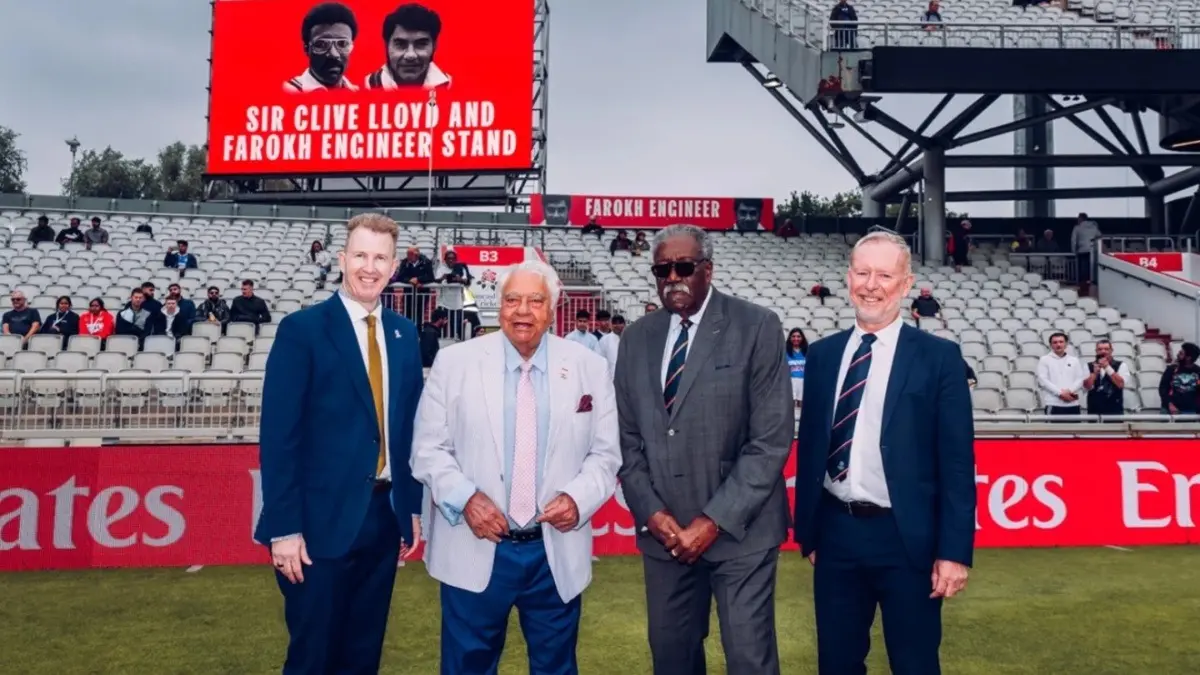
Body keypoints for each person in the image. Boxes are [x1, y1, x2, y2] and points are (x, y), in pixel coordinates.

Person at [411, 260, 621, 674]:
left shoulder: (589, 367)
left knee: (556, 667)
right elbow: (427, 450)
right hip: (474, 546)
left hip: (554, 553)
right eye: (512, 300)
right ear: (498, 306)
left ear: (552, 309)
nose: (522, 311)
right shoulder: (454, 363)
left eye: (535, 301)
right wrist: (466, 498)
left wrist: (578, 500)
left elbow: (606, 455)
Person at [793, 231, 975, 675]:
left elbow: (956, 463)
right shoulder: (822, 354)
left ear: (906, 283)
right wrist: (810, 532)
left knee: (914, 664)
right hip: (836, 535)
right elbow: (812, 446)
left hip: (907, 539)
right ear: (848, 277)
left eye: (884, 275)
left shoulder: (940, 358)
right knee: (836, 663)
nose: (871, 284)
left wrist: (954, 552)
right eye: (862, 272)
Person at [615, 224, 794, 674]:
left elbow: (770, 439)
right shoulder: (636, 338)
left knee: (749, 661)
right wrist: (653, 515)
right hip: (665, 538)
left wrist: (713, 521)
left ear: (708, 270)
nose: (672, 277)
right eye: (662, 268)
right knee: (671, 659)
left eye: (684, 267)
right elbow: (627, 441)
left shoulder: (757, 325)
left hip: (741, 534)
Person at [254, 213, 424, 674]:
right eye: (361, 255)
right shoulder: (302, 330)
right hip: (315, 526)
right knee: (313, 658)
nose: (370, 267)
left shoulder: (405, 336)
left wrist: (411, 508)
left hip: (383, 520)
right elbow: (279, 437)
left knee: (362, 657)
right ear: (342, 258)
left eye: (381, 258)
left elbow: (406, 430)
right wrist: (284, 529)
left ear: (393, 268)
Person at [365, 3, 451, 90]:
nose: (410, 55)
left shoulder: (451, 87)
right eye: (400, 44)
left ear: (434, 46)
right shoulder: (366, 87)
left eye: (421, 44)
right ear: (387, 45)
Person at [285, 2, 360, 93]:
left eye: (342, 44)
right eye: (321, 44)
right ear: (306, 49)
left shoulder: (360, 94)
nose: (334, 54)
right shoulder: (288, 92)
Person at [1083, 339, 1129, 416]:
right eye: (1100, 349)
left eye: (1106, 349)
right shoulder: (1088, 366)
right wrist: (1094, 374)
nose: (1103, 351)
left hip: (1114, 409)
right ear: (1096, 351)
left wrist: (1107, 368)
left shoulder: (1121, 365)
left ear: (1111, 351)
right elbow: (1086, 386)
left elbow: (1120, 384)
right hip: (1094, 409)